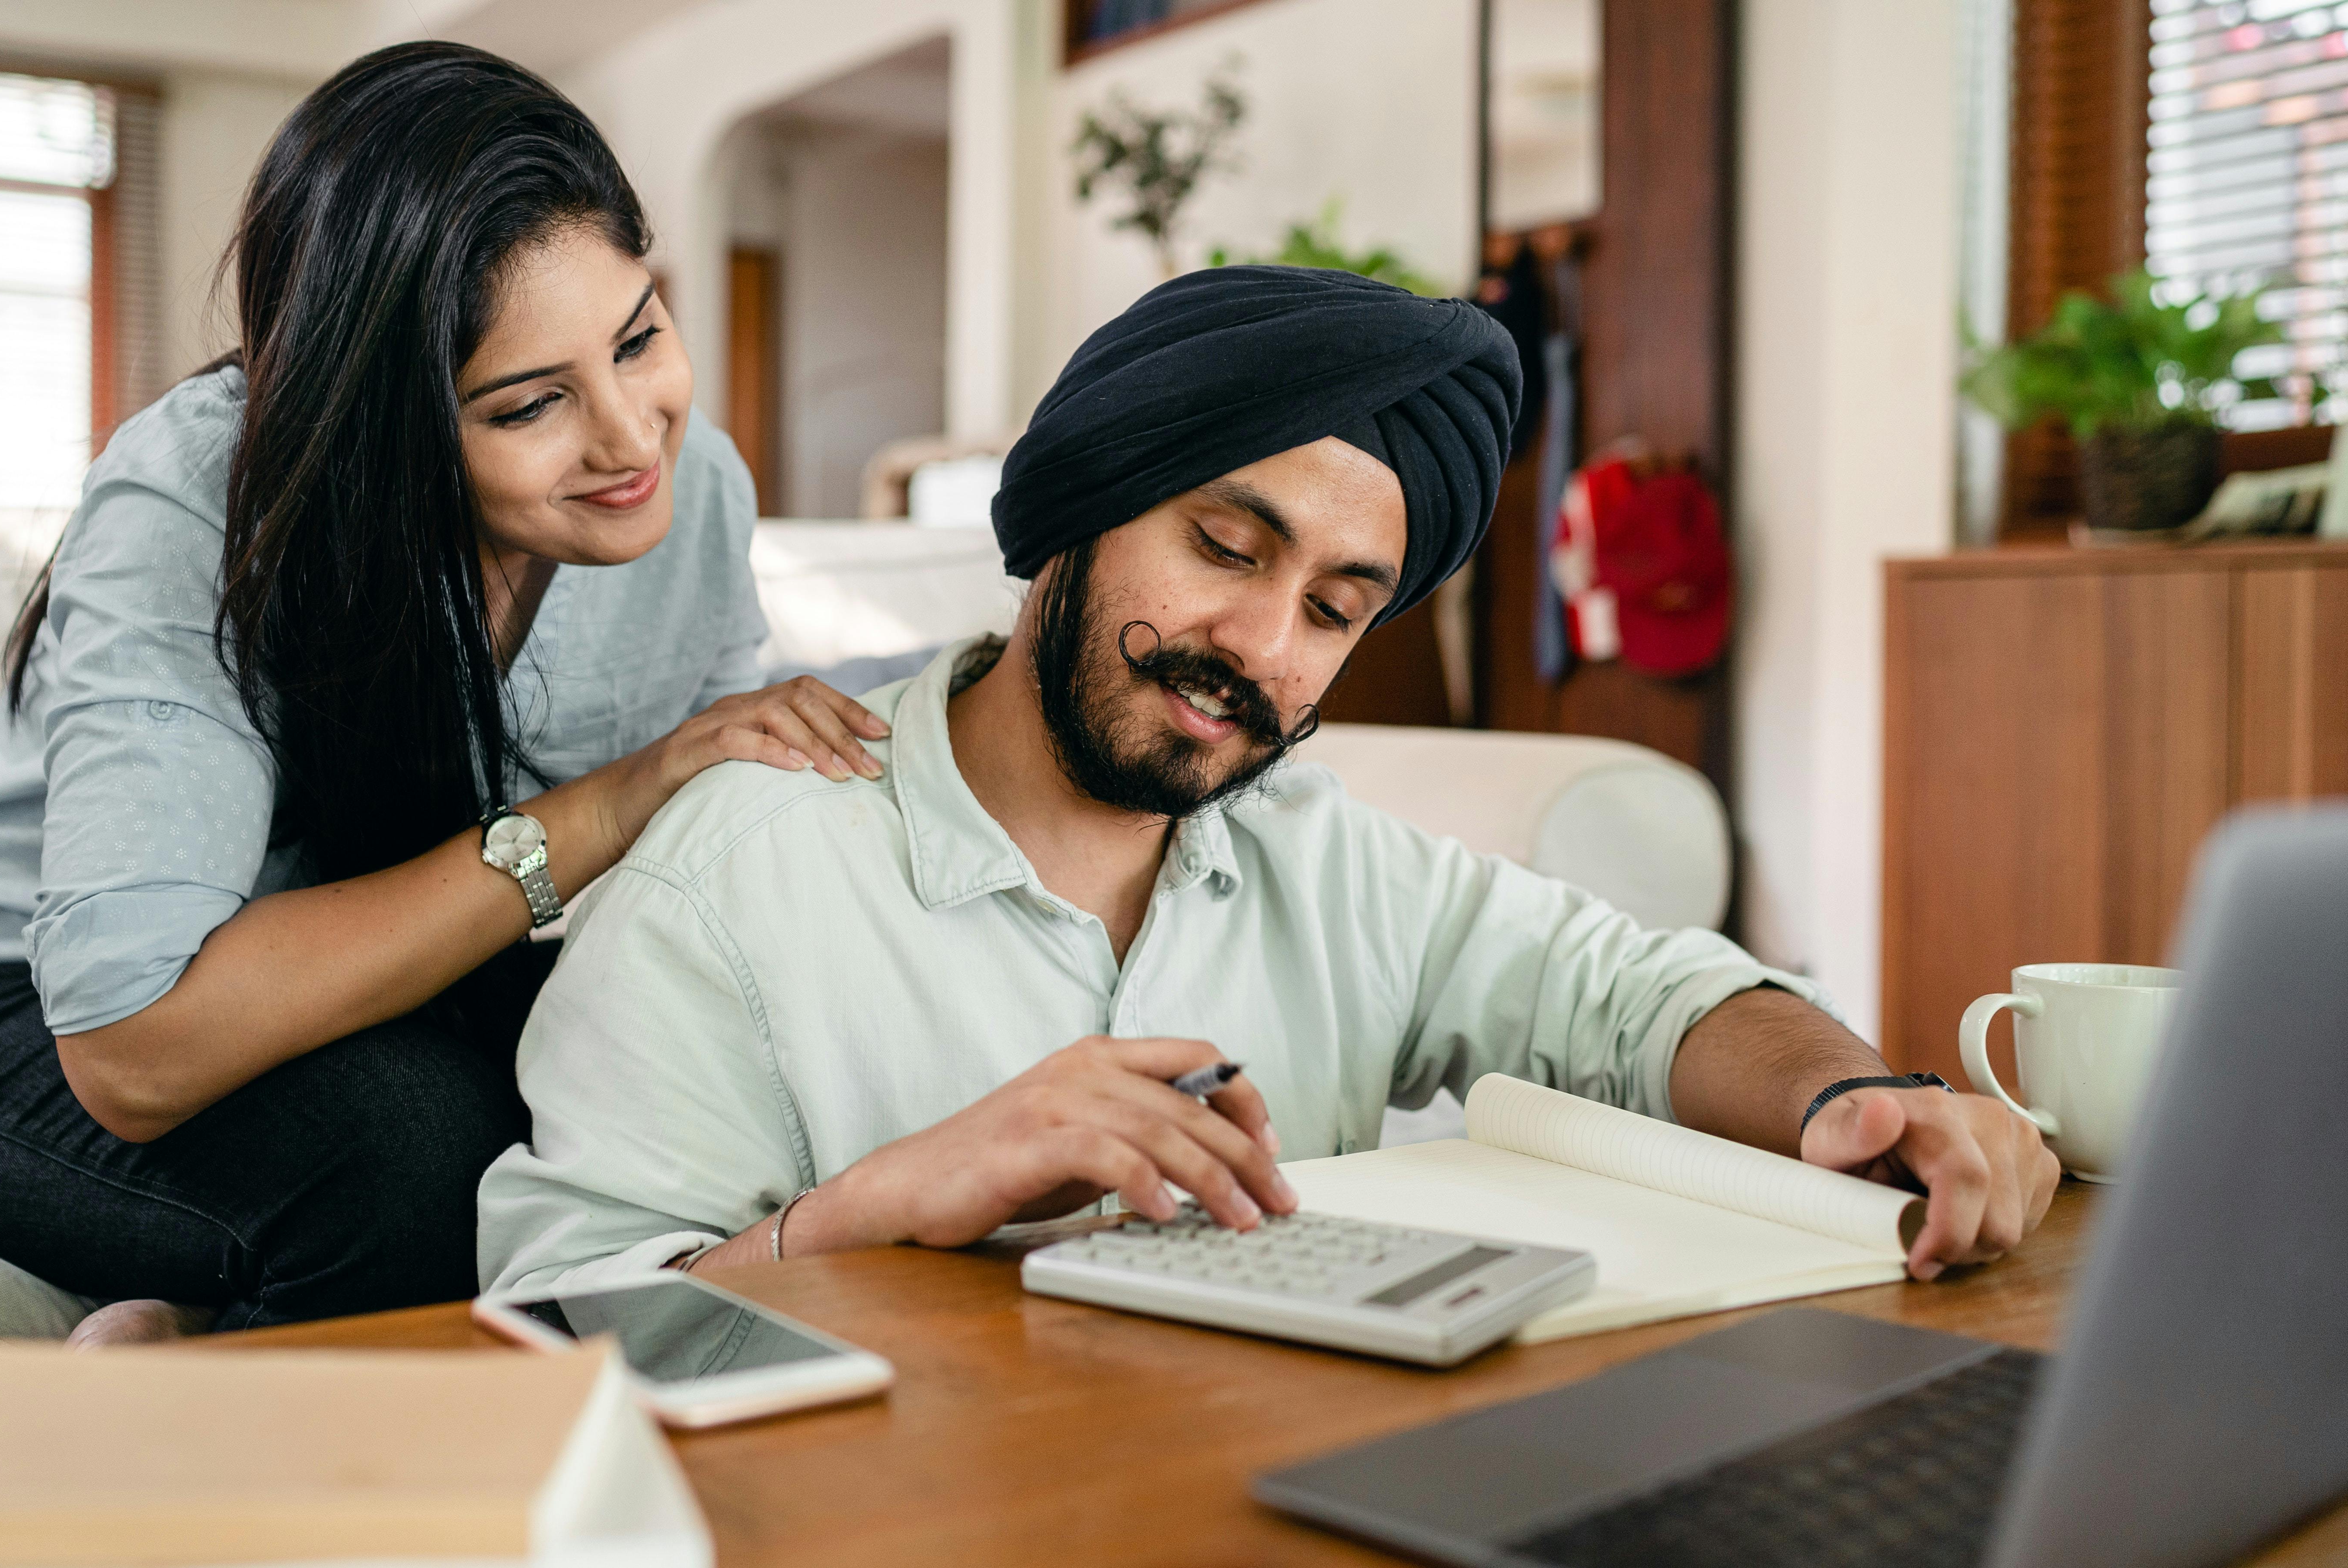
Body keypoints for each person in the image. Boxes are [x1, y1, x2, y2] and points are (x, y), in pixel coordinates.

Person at [477, 266, 2058, 1297]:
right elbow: (554, 1316)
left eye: (1331, 607)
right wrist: (893, 1195)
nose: (1258, 644)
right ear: (1082, 515)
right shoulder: (737, 869)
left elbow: (1642, 999)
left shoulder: (1319, 851)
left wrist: (1857, 1094)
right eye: (1224, 549)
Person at [0, 43, 884, 1335]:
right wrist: (603, 809)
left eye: (639, 335)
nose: (630, 433)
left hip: (336, 994)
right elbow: (135, 1045)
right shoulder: (196, 501)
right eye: (531, 403)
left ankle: (190, 1336)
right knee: (420, 1149)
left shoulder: (689, 488)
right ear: (385, 421)